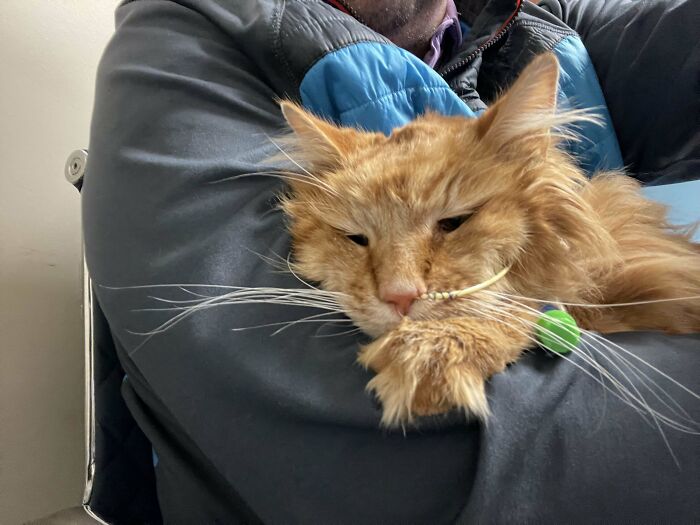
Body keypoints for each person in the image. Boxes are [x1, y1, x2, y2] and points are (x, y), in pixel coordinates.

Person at [84, 0, 699, 522]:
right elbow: (373, 470)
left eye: (453, 224)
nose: (399, 287)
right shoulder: (192, 33)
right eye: (356, 238)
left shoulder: (543, 18)